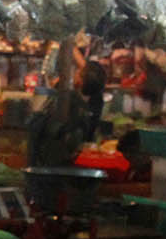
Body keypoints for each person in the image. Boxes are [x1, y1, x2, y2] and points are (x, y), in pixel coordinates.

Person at [26, 38, 107, 169]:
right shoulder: (97, 98)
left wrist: (55, 48)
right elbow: (87, 72)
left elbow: (51, 77)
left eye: (78, 73)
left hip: (60, 156)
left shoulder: (69, 98)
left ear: (80, 81)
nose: (75, 72)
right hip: (83, 154)